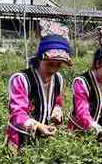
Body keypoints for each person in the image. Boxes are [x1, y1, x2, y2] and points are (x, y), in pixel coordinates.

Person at [5, 20, 72, 153]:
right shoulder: (22, 80)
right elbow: (17, 114)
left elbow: (57, 100)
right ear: (40, 58)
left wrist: (57, 110)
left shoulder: (58, 79)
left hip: (44, 141)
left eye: (58, 65)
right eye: (49, 64)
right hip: (20, 142)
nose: (53, 69)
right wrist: (37, 126)